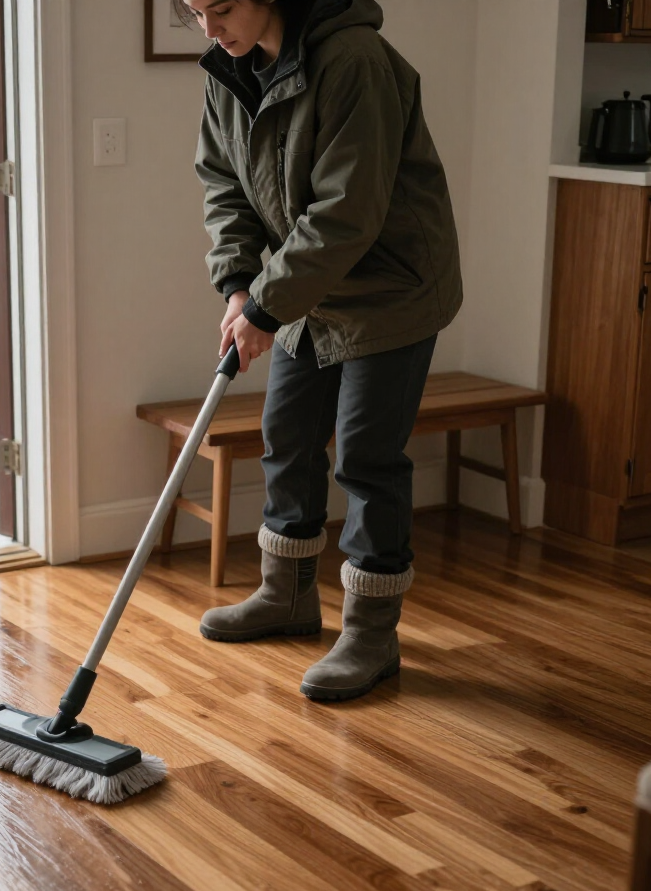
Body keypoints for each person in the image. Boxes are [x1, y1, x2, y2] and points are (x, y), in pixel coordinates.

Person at [184, 0, 462, 700]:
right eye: (194, 11)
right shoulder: (230, 69)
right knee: (288, 437)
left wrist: (271, 305)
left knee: (367, 458)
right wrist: (241, 287)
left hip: (389, 286)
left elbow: (347, 212)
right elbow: (224, 185)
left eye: (221, 8)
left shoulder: (354, 63)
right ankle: (287, 596)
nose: (210, 29)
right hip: (303, 284)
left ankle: (372, 634)